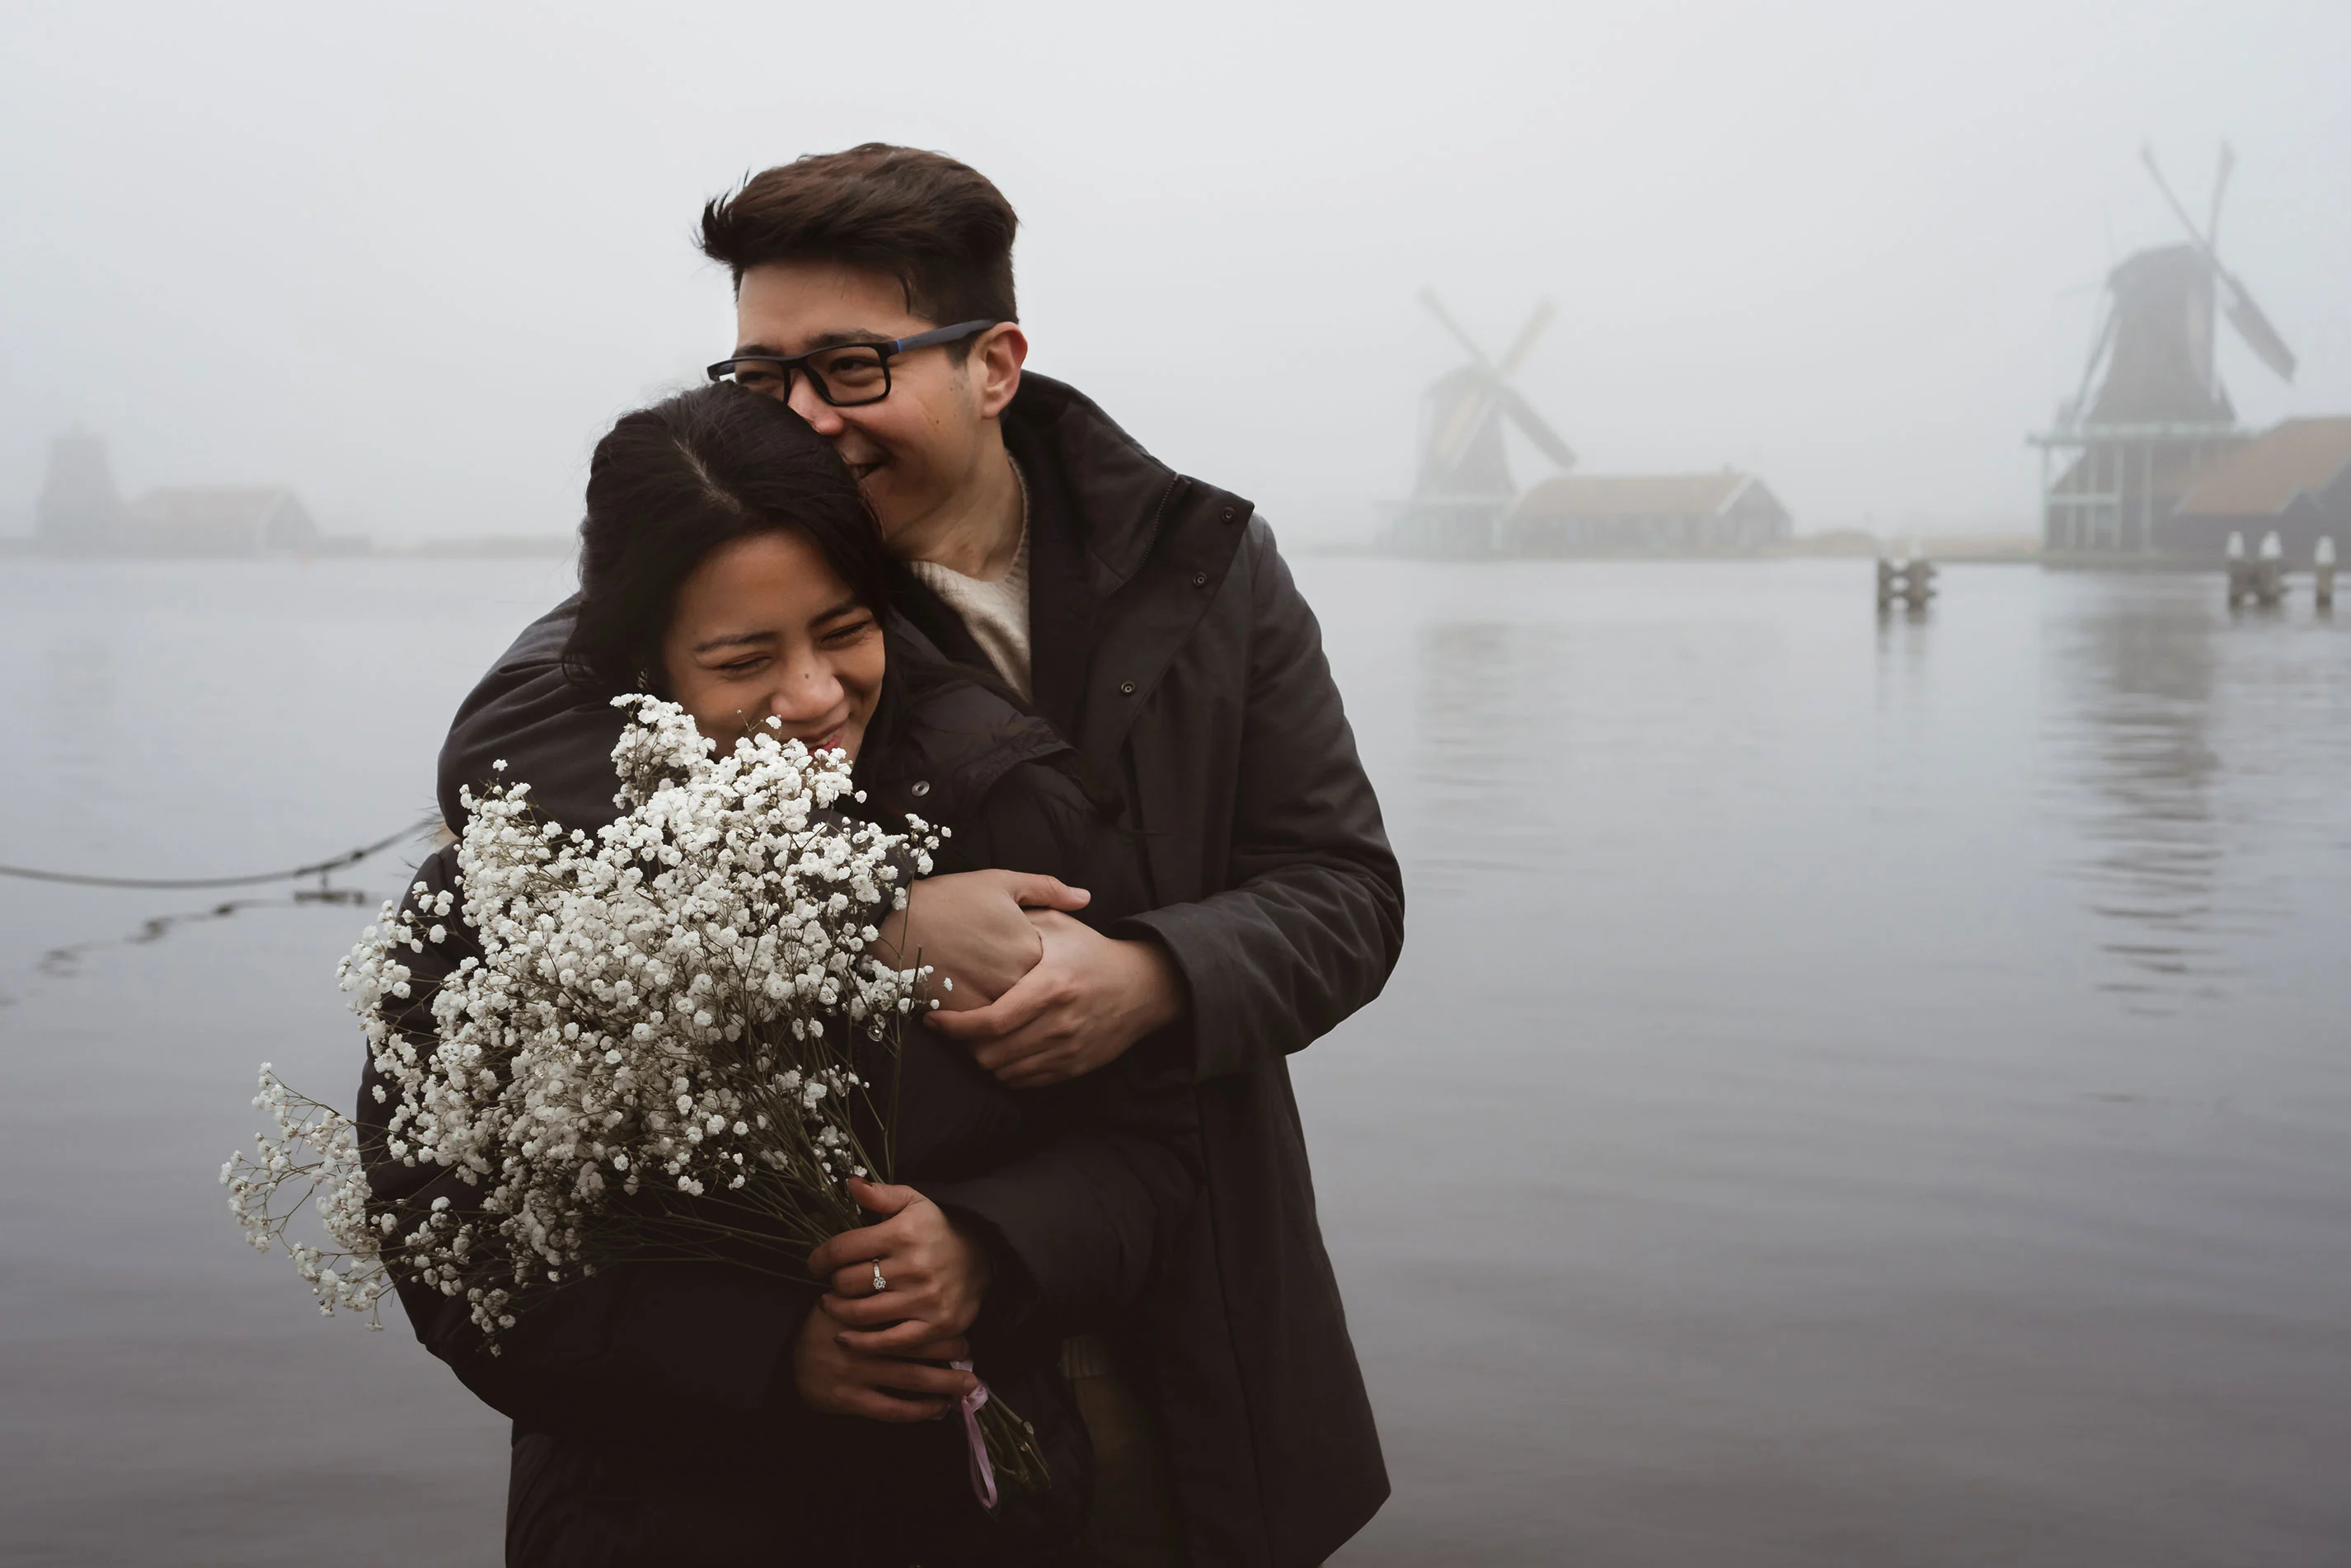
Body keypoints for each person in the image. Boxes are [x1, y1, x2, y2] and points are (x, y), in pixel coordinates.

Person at [439, 143, 1405, 1568]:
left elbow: (1346, 888)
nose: (802, 420)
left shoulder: (1204, 561)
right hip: (841, 1421)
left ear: (995, 362)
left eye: (847, 368)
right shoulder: (752, 570)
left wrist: (1155, 974)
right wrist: (871, 917)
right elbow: (511, 750)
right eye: (757, 378)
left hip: (1192, 1294)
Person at [368, 384, 1198, 1565]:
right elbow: (446, 1240)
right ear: (640, 667)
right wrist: (764, 1349)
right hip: (653, 1517)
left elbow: (1149, 1150)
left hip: (978, 1523)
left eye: (845, 629)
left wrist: (986, 1246)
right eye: (744, 656)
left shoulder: (1001, 809)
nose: (813, 696)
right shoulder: (523, 885)